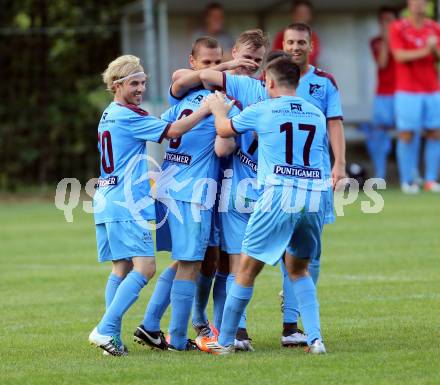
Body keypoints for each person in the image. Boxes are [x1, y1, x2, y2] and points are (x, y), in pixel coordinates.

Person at [196, 56, 328, 355]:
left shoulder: (263, 109)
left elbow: (225, 129)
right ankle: (316, 339)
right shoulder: (316, 113)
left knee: (245, 269)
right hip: (314, 196)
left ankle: (225, 341)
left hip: (279, 193)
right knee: (299, 269)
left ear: (268, 81)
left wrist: (218, 109)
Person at [87, 55, 211, 356]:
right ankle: (105, 328)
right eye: (134, 83)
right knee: (146, 268)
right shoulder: (128, 116)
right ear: (117, 85)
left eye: (143, 83)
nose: (140, 89)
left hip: (107, 198)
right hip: (127, 201)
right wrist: (206, 109)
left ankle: (111, 338)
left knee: (121, 267)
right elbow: (173, 132)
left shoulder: (110, 113)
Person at [133, 37, 241, 351]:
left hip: (168, 186)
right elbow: (223, 146)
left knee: (181, 261)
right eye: (205, 63)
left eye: (215, 62)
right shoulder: (217, 101)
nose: (211, 69)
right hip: (194, 192)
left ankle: (151, 324)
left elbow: (165, 129)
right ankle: (179, 340)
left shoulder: (181, 103)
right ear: (193, 62)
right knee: (191, 263)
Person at [167, 30, 268, 351]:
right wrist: (226, 67)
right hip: (202, 185)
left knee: (225, 261)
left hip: (231, 187)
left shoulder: (257, 91)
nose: (247, 64)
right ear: (233, 53)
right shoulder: (207, 85)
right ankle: (197, 321)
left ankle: (231, 328)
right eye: (243, 57)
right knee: (202, 259)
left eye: (255, 60)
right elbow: (180, 77)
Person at [389, 0, 440, 193]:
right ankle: (408, 180)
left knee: (435, 132)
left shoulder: (434, 28)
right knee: (407, 134)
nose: (419, 4)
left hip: (432, 88)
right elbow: (399, 56)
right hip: (407, 90)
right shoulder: (398, 27)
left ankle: (430, 180)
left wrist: (434, 50)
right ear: (409, 3)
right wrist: (427, 50)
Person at [368, 6, 397, 180]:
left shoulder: (404, 40)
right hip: (383, 94)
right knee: (379, 134)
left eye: (390, 20)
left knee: (408, 134)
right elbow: (382, 62)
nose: (386, 23)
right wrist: (387, 38)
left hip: (403, 94)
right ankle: (380, 174)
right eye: (383, 20)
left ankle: (412, 175)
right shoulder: (376, 41)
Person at [272, 0, 320, 66]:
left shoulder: (312, 36)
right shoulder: (282, 35)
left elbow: (312, 55)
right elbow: (276, 55)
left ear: (310, 16)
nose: (302, 16)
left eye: (305, 13)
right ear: (293, 14)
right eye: (299, 13)